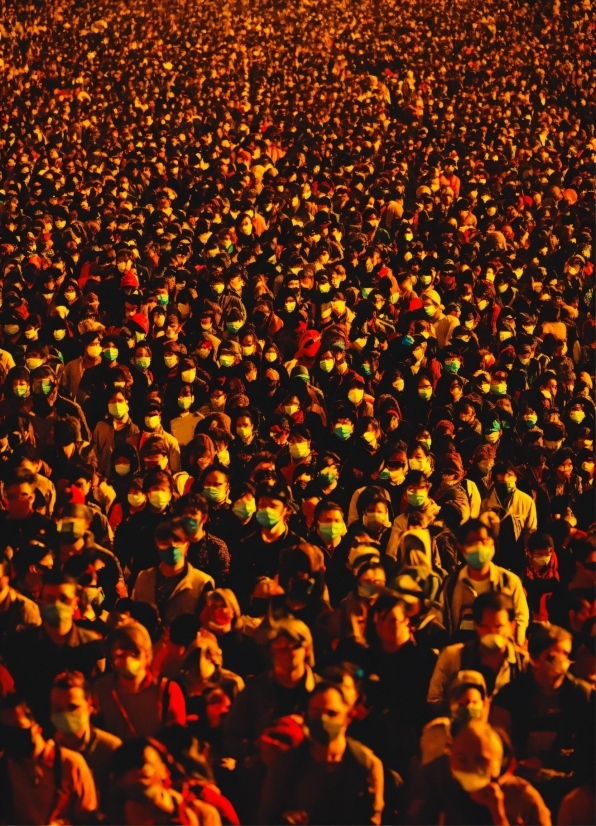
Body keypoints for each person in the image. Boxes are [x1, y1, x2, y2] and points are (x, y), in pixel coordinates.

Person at [258, 682, 384, 825]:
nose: (323, 720)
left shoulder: (365, 763)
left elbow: (372, 819)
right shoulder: (287, 764)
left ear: (348, 717)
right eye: (316, 712)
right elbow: (266, 817)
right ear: (306, 715)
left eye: (332, 713)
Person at [408, 720, 551, 825]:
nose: (471, 767)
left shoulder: (523, 798)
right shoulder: (439, 792)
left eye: (480, 760)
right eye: (462, 759)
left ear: (500, 763)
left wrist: (498, 814)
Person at [0, 692, 98, 825]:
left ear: (36, 727)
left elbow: (89, 819)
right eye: (7, 730)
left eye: (18, 726)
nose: (13, 735)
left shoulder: (70, 764)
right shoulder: (5, 767)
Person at [428, 592, 529, 707]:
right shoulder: (453, 656)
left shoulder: (523, 663)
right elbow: (434, 699)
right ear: (476, 625)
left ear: (512, 626)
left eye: (498, 627)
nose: (492, 633)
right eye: (484, 627)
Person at [93, 621, 186, 741]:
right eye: (120, 655)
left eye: (134, 653)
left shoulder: (167, 691)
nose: (128, 660)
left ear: (147, 656)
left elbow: (178, 739)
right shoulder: (101, 689)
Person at [441, 519, 529, 644]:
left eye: (484, 541)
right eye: (472, 543)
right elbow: (444, 619)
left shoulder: (509, 580)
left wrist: (514, 647)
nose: (479, 547)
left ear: (493, 544)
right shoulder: (451, 584)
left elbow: (520, 617)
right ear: (461, 548)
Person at [50, 670, 122, 805]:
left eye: (73, 707)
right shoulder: (48, 753)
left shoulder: (111, 750)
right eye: (58, 709)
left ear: (90, 706)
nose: (65, 714)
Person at [132, 518, 215, 625]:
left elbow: (206, 626)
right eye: (165, 543)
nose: (171, 547)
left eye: (177, 542)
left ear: (187, 545)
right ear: (157, 545)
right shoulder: (144, 577)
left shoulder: (202, 583)